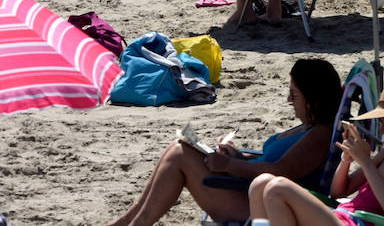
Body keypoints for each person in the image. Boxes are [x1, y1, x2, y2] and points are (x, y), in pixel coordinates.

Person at [105, 59, 342, 226]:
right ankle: (128, 221)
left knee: (181, 154)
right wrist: (236, 156)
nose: (289, 99)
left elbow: (281, 171)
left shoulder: (320, 135)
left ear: (314, 98)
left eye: (295, 94)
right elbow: (270, 163)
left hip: (257, 204)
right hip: (247, 189)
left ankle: (137, 223)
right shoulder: (308, 127)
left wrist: (228, 166)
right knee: (180, 146)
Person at [248, 84, 384, 225]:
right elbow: (339, 192)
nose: (382, 131)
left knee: (277, 188)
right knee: (261, 183)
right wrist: (348, 160)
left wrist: (366, 162)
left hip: (362, 223)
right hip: (344, 216)